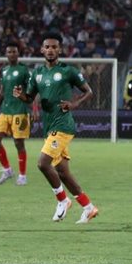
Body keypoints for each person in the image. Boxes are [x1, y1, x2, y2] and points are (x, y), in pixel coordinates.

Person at [13, 35, 99, 223]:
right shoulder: (37, 73)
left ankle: (62, 200)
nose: (50, 50)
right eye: (47, 47)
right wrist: (21, 96)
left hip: (63, 125)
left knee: (43, 163)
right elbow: (30, 98)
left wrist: (74, 104)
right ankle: (88, 207)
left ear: (59, 50)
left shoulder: (68, 71)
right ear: (42, 50)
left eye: (54, 47)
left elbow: (89, 91)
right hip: (49, 126)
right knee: (63, 173)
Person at [0, 43, 31, 185]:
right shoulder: (4, 70)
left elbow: (32, 90)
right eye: (9, 52)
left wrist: (34, 108)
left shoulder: (24, 70)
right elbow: (1, 92)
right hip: (5, 111)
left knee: (18, 143)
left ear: (18, 54)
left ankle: (22, 176)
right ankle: (7, 170)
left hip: (20, 111)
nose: (12, 54)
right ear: (6, 54)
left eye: (14, 51)